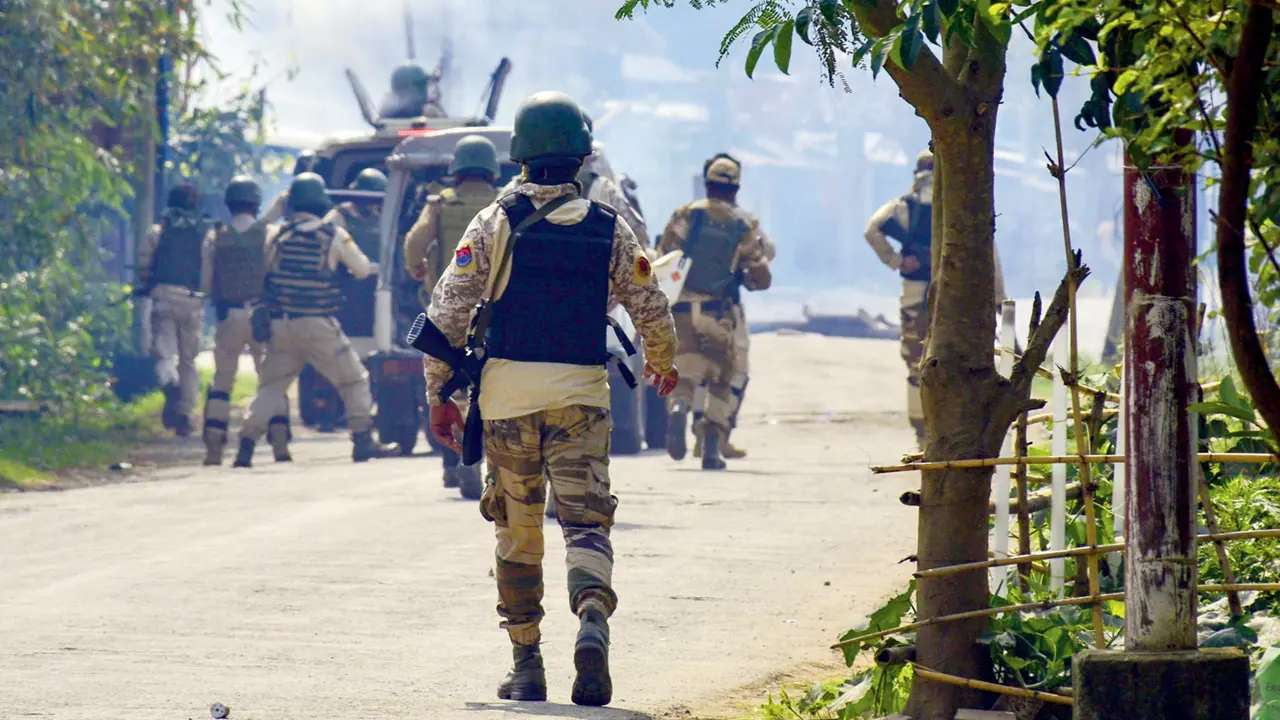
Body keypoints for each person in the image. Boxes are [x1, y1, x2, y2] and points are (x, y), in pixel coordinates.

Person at [425, 91, 678, 707]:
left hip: (508, 403)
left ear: (520, 157)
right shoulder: (610, 228)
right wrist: (663, 364)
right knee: (586, 522)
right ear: (581, 159)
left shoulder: (492, 222)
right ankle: (591, 609)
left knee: (517, 531)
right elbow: (652, 304)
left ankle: (527, 662)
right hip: (582, 401)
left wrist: (441, 396)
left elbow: (447, 313)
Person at [231, 173, 400, 466]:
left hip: (281, 325)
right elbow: (361, 270)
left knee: (270, 388)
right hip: (319, 325)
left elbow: (252, 242)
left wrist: (276, 208)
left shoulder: (275, 235)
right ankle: (362, 440)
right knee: (354, 380)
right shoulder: (332, 234)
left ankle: (245, 446)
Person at [864, 149, 1007, 448]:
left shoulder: (903, 207)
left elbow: (872, 229)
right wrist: (997, 299)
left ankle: (924, 435)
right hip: (956, 297)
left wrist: (896, 261)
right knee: (953, 365)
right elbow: (989, 255)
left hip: (917, 298)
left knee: (918, 367)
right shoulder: (962, 209)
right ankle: (946, 433)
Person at [658, 153, 772, 470]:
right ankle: (711, 445)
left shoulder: (685, 214)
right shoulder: (741, 225)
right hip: (718, 312)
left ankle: (679, 407)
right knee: (722, 377)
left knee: (683, 372)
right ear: (735, 190)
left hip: (681, 309)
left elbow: (664, 256)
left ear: (706, 184)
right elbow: (760, 276)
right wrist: (749, 277)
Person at [403, 134, 501, 491]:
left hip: (449, 308)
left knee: (448, 385)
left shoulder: (441, 203)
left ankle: (459, 459)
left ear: (456, 170)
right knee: (494, 381)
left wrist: (417, 268)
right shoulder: (503, 202)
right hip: (495, 310)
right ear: (491, 170)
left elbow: (415, 244)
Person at [200, 175, 292, 466]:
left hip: (229, 315)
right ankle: (279, 444)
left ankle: (214, 447)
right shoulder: (268, 234)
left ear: (229, 205)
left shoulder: (216, 237)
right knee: (272, 380)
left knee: (222, 382)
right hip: (263, 316)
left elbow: (205, 282)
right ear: (255, 203)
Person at [693, 231, 776, 460]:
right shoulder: (740, 224)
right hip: (726, 309)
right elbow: (767, 253)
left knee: (702, 375)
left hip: (692, 309)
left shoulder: (691, 218)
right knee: (736, 375)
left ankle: (700, 436)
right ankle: (719, 437)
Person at [136, 184, 208, 438]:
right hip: (193, 299)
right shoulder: (203, 233)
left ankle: (170, 384)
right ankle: (186, 415)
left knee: (165, 354)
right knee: (189, 361)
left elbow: (145, 265)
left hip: (164, 297)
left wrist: (144, 286)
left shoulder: (158, 232)